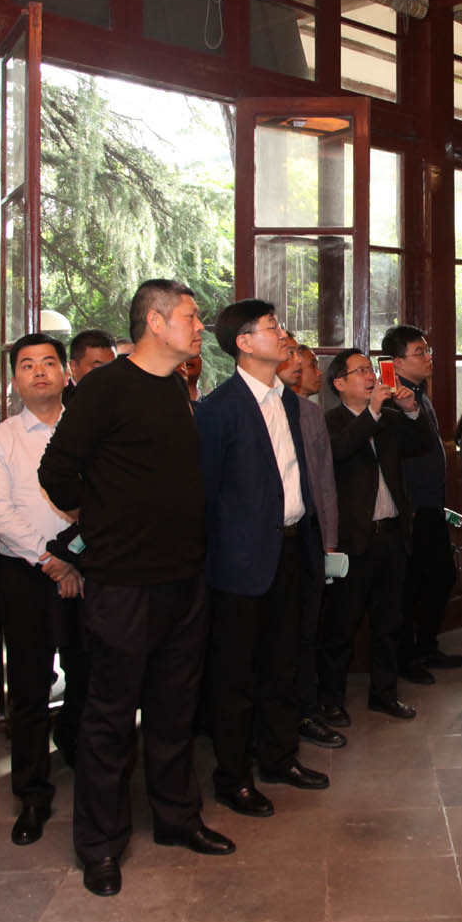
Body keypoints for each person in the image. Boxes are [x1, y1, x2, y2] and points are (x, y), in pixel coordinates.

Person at [39, 279, 233, 897]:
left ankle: (177, 818)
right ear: (154, 321)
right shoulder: (105, 387)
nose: (199, 326)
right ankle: (100, 844)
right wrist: (102, 520)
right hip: (124, 583)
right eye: (190, 316)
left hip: (184, 577)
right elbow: (57, 471)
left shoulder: (175, 387)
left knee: (175, 710)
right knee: (111, 717)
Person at [196, 300, 329, 819]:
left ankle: (279, 757)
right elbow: (205, 496)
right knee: (235, 677)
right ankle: (233, 778)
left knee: (283, 665)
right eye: (273, 327)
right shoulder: (218, 409)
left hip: (292, 548)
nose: (283, 334)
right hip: (239, 563)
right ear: (245, 342)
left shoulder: (289, 402)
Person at [0, 333, 92, 847]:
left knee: (88, 674)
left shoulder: (88, 432)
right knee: (28, 685)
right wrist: (52, 561)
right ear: (14, 379)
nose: (39, 371)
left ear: (67, 373)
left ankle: (83, 758)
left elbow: (103, 502)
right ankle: (31, 792)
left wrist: (74, 559)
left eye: (49, 362)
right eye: (27, 365)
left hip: (86, 568)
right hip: (27, 574)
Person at [320, 349, 434, 728]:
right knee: (341, 626)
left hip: (391, 536)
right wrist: (371, 413)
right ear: (339, 383)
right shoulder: (329, 422)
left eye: (371, 369)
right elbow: (340, 451)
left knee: (389, 623)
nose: (370, 376)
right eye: (360, 371)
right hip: (353, 541)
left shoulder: (389, 419)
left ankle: (384, 694)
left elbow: (422, 445)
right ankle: (331, 700)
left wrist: (411, 409)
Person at [382, 325, 462, 682]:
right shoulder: (390, 400)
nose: (429, 357)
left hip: (432, 504)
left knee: (441, 577)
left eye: (428, 350)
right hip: (411, 507)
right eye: (420, 352)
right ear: (397, 362)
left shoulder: (420, 393)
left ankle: (427, 646)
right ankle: (407, 657)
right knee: (411, 585)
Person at [276, 336, 343, 750]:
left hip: (310, 536)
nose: (302, 369)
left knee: (307, 631)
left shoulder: (310, 413)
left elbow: (324, 482)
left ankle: (307, 709)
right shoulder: (248, 408)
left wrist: (330, 541)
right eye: (296, 361)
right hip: (271, 542)